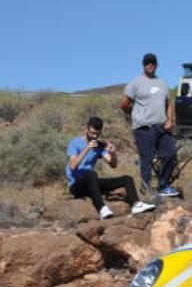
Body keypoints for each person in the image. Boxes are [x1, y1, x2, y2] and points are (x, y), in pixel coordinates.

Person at [67, 117, 155, 219]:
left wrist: (112, 153)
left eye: (97, 134)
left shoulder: (98, 145)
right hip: (76, 186)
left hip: (92, 183)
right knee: (91, 174)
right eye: (92, 133)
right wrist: (87, 148)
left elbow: (113, 165)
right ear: (86, 129)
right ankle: (102, 209)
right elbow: (72, 166)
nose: (94, 136)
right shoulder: (75, 142)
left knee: (127, 179)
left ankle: (136, 205)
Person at [121, 53, 181, 198]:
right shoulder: (135, 83)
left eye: (152, 63)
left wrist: (170, 120)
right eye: (147, 63)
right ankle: (146, 187)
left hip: (161, 126)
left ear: (156, 64)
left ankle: (163, 185)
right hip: (143, 127)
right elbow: (124, 103)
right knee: (146, 158)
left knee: (170, 153)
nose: (150, 65)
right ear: (143, 64)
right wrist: (135, 115)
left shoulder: (162, 83)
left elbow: (169, 104)